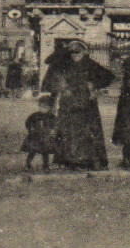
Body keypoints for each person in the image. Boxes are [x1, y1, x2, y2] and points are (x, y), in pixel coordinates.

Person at [42, 39, 113, 170]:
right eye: (72, 52)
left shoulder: (90, 64)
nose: (74, 54)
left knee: (86, 132)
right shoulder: (65, 63)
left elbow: (109, 76)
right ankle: (67, 161)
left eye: (77, 51)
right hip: (68, 103)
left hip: (86, 103)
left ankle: (87, 161)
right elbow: (49, 61)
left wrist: (95, 85)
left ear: (84, 51)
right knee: (67, 131)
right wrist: (63, 50)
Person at [21, 93, 57, 172]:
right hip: (35, 137)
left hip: (45, 138)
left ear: (49, 108)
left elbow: (55, 125)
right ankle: (28, 164)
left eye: (45, 107)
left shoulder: (51, 117)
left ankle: (45, 166)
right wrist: (30, 128)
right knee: (32, 151)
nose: (42, 109)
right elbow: (28, 122)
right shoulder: (35, 115)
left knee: (45, 152)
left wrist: (52, 131)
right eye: (40, 106)